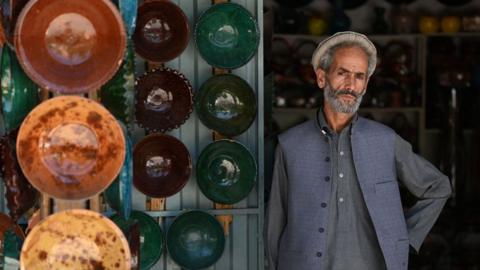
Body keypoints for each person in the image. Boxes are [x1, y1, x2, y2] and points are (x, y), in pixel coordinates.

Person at [265, 31, 452, 270]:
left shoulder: (385, 140)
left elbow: (438, 187)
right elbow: (275, 221)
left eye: (359, 76)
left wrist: (404, 237)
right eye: (342, 73)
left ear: (365, 85)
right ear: (322, 78)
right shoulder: (290, 143)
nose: (350, 85)